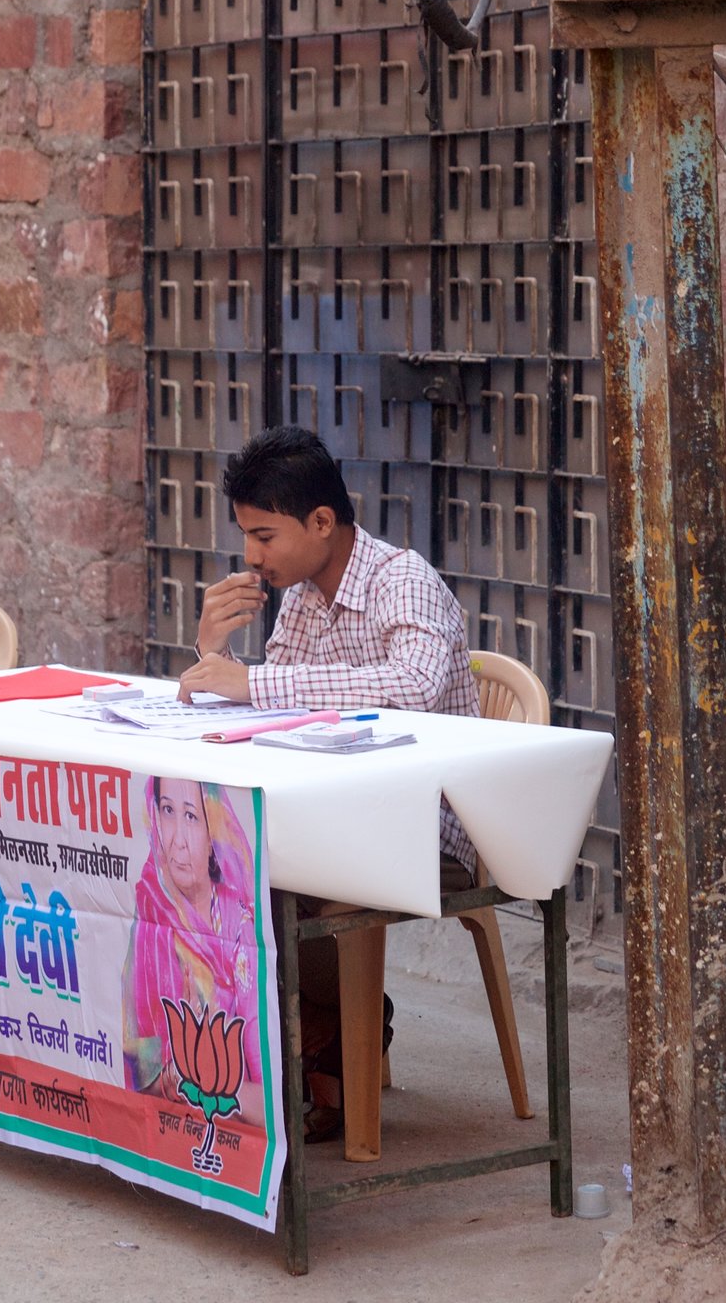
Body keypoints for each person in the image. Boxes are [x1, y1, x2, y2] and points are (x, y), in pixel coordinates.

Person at [176, 424, 482, 1137]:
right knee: (224, 862)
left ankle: (335, 1042)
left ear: (321, 522)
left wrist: (252, 682)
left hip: (421, 821)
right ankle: (326, 1036)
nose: (251, 556)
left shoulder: (399, 578)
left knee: (275, 874)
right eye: (247, 536)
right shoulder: (307, 594)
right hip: (334, 809)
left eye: (265, 535)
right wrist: (212, 651)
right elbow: (273, 700)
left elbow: (411, 684)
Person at [126, 777, 260, 1105]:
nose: (179, 841)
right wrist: (172, 1079)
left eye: (191, 817)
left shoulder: (239, 922)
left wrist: (214, 1083)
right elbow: (136, 1072)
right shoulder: (149, 910)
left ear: (213, 830)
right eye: (168, 810)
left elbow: (267, 1099)